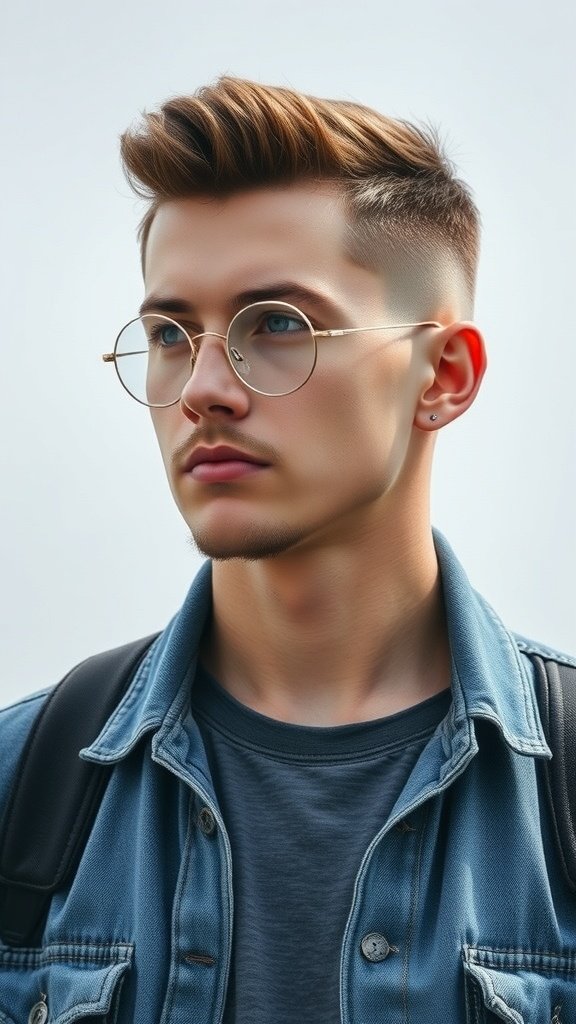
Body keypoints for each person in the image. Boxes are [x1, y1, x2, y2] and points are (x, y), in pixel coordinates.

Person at [1, 76, 575, 1024]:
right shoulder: (26, 781)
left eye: (278, 325)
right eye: (170, 333)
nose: (203, 389)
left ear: (444, 375)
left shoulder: (560, 794)